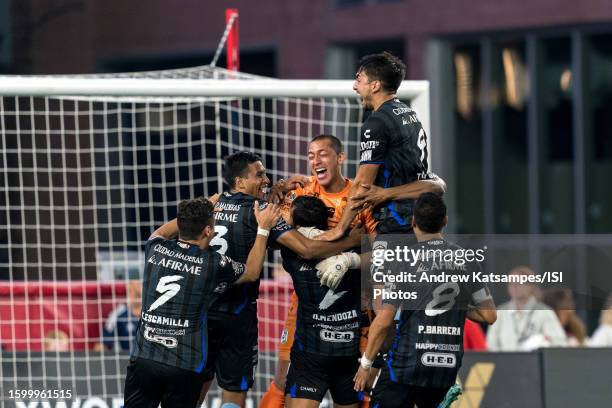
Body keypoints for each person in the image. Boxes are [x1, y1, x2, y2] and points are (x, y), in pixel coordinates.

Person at [260, 134, 443, 408]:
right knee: (283, 380)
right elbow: (276, 231)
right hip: (306, 305)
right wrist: (275, 191)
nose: (315, 161)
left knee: (363, 383)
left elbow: (383, 252)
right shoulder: (300, 193)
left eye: (322, 154)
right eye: (310, 155)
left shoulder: (362, 199)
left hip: (355, 307)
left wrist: (349, 261)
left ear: (340, 158)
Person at [204, 152, 362, 408]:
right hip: (238, 316)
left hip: (203, 310)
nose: (267, 179)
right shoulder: (263, 214)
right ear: (240, 182)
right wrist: (353, 240)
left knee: (193, 394)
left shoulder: (212, 205)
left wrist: (274, 191)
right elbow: (307, 249)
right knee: (233, 398)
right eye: (260, 175)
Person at [123, 197, 280, 408]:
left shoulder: (155, 248)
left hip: (144, 359)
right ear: (207, 231)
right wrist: (263, 229)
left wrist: (194, 212)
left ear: (180, 226)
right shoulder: (212, 263)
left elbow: (160, 232)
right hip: (183, 365)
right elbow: (251, 272)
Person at [353, 193, 497, 408]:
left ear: (413, 222)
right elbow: (489, 315)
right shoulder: (466, 259)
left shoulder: (403, 260)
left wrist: (365, 364)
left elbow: (384, 319)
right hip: (444, 370)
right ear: (445, 221)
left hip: (407, 364)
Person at [317, 52, 443, 242]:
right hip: (416, 218)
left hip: (395, 223)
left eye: (359, 79)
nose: (354, 86)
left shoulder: (376, 122)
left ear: (375, 85)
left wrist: (340, 229)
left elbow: (363, 184)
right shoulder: (409, 113)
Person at [278, 196, 364, 408]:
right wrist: (349, 248)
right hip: (347, 353)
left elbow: (303, 245)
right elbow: (386, 255)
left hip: (310, 355)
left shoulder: (290, 252)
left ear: (297, 223)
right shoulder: (358, 250)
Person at [486, 266, 567, 351]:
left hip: (533, 362)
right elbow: (491, 345)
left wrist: (542, 343)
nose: (514, 287)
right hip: (505, 362)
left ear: (531, 286)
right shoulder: (500, 313)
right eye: (511, 283)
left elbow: (559, 343)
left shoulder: (544, 312)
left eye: (519, 283)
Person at [96, 279, 141, 352]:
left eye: (138, 293)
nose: (134, 295)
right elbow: (102, 344)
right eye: (131, 291)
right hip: (126, 359)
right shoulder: (118, 315)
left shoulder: (154, 313)